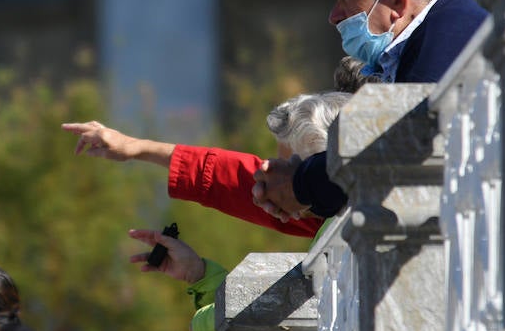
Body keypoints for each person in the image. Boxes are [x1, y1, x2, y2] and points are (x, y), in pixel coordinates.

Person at [253, 0, 489, 223]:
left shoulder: (449, 35)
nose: (334, 15)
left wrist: (299, 184)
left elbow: (390, 151)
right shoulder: (440, 32)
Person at [113, 92, 350, 331]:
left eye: (287, 170)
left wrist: (204, 326)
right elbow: (228, 177)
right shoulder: (333, 216)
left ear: (319, 170)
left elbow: (280, 308)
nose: (270, 184)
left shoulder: (341, 234)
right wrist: (200, 275)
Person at [62, 91, 351, 240]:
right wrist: (136, 148)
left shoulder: (341, 206)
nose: (269, 170)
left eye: (290, 168)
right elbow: (228, 178)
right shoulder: (317, 214)